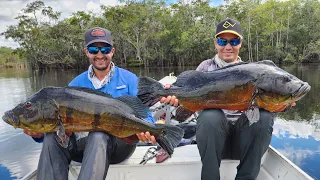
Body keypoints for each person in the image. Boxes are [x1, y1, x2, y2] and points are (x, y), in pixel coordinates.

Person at [161, 17, 296, 180]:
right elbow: (186, 108)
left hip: (244, 143)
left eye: (234, 41)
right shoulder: (205, 68)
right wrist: (175, 101)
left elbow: (264, 109)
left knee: (265, 117)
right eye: (222, 41)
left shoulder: (252, 71)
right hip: (215, 145)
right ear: (215, 43)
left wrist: (282, 105)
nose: (228, 46)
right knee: (211, 116)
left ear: (240, 43)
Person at [23, 27, 159, 180]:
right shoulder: (75, 85)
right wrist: (38, 135)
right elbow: (60, 124)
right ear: (86, 52)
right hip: (83, 145)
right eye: (94, 49)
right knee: (50, 138)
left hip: (120, 145)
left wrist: (147, 130)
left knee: (98, 134)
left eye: (105, 49)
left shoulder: (130, 79)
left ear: (112, 51)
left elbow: (145, 113)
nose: (100, 55)